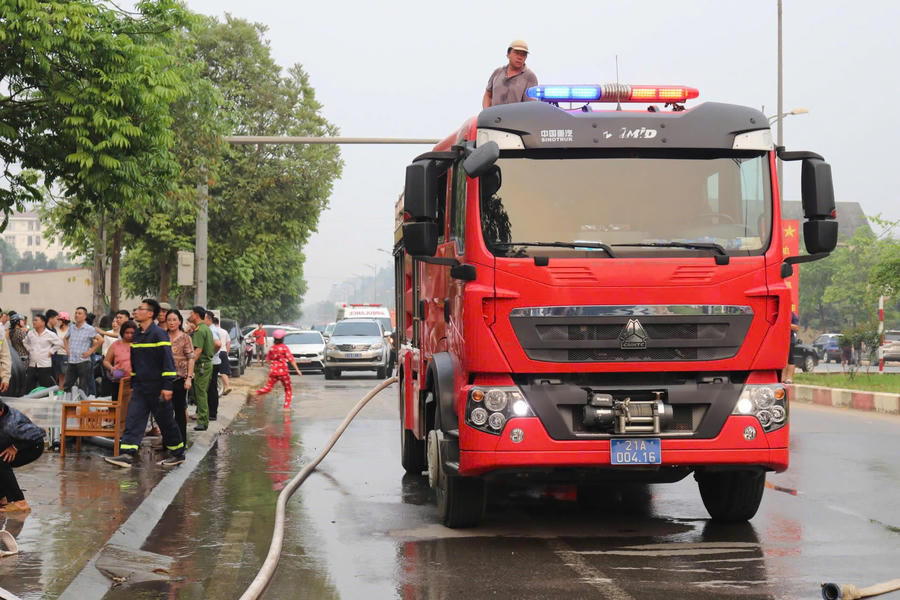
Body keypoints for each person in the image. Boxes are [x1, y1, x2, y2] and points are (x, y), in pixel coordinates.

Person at [105, 299, 184, 469]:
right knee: (133, 418)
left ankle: (178, 453)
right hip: (140, 387)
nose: (136, 311)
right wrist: (133, 382)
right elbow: (135, 361)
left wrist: (167, 386)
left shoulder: (159, 334)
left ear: (150, 313)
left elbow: (168, 362)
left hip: (158, 387)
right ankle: (127, 454)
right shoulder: (138, 335)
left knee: (165, 421)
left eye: (140, 309)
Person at [0, 399, 44, 513]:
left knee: (2, 462)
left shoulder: (11, 424)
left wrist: (15, 447)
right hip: (14, 441)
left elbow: (40, 433)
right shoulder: (4, 410)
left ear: (0, 412)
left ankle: (20, 502)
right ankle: (2, 498)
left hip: (33, 447)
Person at [166, 309, 195, 446]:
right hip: (164, 380)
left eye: (174, 320)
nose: (171, 323)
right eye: (169, 320)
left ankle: (181, 442)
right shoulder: (162, 336)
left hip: (180, 380)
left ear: (179, 321)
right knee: (165, 412)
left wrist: (189, 378)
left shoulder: (185, 337)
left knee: (179, 412)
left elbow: (191, 358)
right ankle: (167, 442)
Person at [482, 39, 538, 109]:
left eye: (523, 55)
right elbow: (488, 95)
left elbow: (530, 105)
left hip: (515, 118)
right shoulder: (497, 72)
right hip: (495, 118)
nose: (520, 57)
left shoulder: (529, 77)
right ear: (508, 54)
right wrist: (486, 112)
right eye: (517, 53)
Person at [255, 329, 302, 410]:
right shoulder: (284, 348)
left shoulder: (272, 348)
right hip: (284, 372)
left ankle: (255, 393)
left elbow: (267, 360)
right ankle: (286, 408)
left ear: (274, 339)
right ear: (283, 339)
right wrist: (297, 370)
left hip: (273, 372)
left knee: (268, 388)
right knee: (288, 390)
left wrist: (274, 364)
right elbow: (291, 359)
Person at [188, 306, 215, 432]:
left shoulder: (199, 330)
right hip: (206, 364)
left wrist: (190, 365)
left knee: (201, 393)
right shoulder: (206, 328)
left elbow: (197, 351)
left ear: (197, 315)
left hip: (202, 366)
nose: (190, 315)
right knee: (200, 392)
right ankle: (203, 419)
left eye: (191, 313)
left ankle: (203, 421)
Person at [63, 307, 102, 393]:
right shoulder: (72, 327)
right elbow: (65, 338)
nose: (77, 315)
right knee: (67, 385)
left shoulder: (89, 329)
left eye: (79, 313)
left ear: (85, 316)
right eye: (76, 313)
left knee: (83, 387)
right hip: (72, 361)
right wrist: (67, 350)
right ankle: (68, 405)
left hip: (83, 361)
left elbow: (101, 340)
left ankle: (82, 405)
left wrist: (90, 351)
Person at [23, 314, 63, 390]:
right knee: (29, 387)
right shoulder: (31, 333)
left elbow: (60, 343)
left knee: (45, 388)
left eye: (36, 320)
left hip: (45, 365)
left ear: (43, 322)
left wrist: (51, 351)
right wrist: (29, 349)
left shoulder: (50, 334)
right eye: (33, 320)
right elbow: (25, 342)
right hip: (32, 365)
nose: (34, 322)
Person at [101, 320, 136, 400]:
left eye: (132, 333)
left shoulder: (138, 345)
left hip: (134, 382)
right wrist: (111, 368)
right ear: (122, 332)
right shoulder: (116, 344)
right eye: (127, 333)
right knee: (116, 406)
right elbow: (106, 361)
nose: (129, 335)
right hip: (118, 381)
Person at [203, 312, 223, 422]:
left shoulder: (211, 330)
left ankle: (212, 413)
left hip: (213, 362)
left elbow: (218, 344)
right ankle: (211, 412)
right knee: (211, 388)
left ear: (209, 319)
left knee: (211, 388)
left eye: (203, 318)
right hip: (214, 361)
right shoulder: (212, 329)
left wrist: (210, 354)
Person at [212, 316, 233, 396]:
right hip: (223, 352)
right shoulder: (224, 331)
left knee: (213, 371)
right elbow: (228, 343)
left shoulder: (212, 331)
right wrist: (226, 354)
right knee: (223, 371)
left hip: (215, 352)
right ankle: (227, 386)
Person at [783, 311, 800, 384]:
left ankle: (789, 378)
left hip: (790, 340)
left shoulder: (792, 315)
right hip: (779, 340)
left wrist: (786, 324)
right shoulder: (780, 313)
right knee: (782, 360)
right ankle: (782, 378)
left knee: (790, 359)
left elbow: (796, 327)